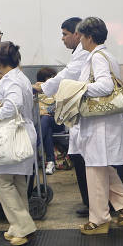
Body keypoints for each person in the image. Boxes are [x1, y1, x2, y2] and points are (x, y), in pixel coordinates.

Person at [74, 17, 123, 235]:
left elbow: (104, 85)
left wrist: (78, 89)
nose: (80, 40)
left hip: (100, 124)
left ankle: (100, 220)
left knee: (95, 171)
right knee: (101, 168)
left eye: (81, 36)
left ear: (89, 37)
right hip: (104, 123)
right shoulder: (105, 55)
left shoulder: (97, 58)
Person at [34, 17, 92, 217]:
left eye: (65, 34)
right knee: (78, 157)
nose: (62, 39)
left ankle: (94, 203)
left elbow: (69, 75)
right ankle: (90, 201)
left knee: (86, 161)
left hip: (86, 118)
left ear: (77, 34)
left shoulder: (85, 53)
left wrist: (44, 86)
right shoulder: (81, 53)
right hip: (79, 117)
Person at [0, 42, 37, 246]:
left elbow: (14, 104)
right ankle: (18, 226)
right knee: (17, 182)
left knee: (2, 182)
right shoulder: (18, 77)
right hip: (19, 134)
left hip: (11, 135)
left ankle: (24, 226)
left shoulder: (12, 81)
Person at [35, 67, 64, 175]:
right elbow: (32, 110)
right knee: (47, 129)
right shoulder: (36, 92)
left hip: (58, 122)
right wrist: (41, 113)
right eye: (50, 78)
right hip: (44, 123)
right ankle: (51, 162)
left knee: (46, 120)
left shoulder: (58, 91)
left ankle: (35, 145)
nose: (53, 81)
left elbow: (61, 108)